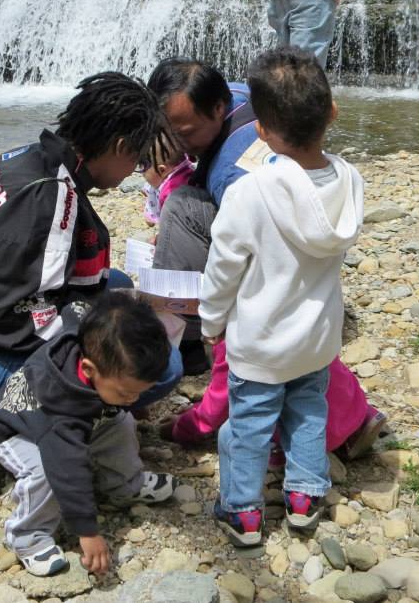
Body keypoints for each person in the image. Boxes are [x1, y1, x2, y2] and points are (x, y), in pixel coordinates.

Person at [0, 71, 182, 400]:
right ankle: (33, 415)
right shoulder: (48, 201)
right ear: (119, 147)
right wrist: (95, 339)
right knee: (163, 366)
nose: (137, 167)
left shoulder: (37, 157)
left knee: (116, 284)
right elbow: (6, 319)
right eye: (138, 158)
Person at [203, 47, 363, 547]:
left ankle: (243, 512)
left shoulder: (250, 193)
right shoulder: (349, 182)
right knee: (307, 412)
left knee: (248, 425)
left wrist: (210, 324)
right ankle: (305, 497)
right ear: (332, 112)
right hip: (316, 338)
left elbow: (223, 269)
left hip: (261, 343)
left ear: (260, 130)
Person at [0, 294, 176, 577]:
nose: (133, 398)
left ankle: (124, 484)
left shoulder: (97, 343)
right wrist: (86, 530)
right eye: (126, 392)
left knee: (121, 423)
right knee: (44, 473)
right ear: (88, 369)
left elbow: (83, 306)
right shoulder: (61, 405)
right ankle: (28, 536)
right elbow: (67, 468)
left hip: (79, 419)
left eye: (140, 392)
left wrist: (126, 398)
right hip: (18, 432)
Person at [147, 58, 270, 374]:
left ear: (217, 108)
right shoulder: (241, 95)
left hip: (273, 267)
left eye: (185, 134)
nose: (177, 146)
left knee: (181, 206)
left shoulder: (231, 174)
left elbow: (253, 247)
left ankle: (184, 343)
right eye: (168, 133)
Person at [162, 344, 387, 462]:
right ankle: (360, 418)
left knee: (247, 416)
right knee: (325, 372)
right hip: (348, 403)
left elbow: (218, 405)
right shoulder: (302, 315)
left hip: (311, 433)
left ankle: (287, 460)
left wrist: (181, 427)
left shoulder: (233, 341)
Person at [142, 130, 194, 225]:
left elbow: (172, 224)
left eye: (143, 168)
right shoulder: (183, 165)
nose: (142, 173)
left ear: (162, 170)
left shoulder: (171, 194)